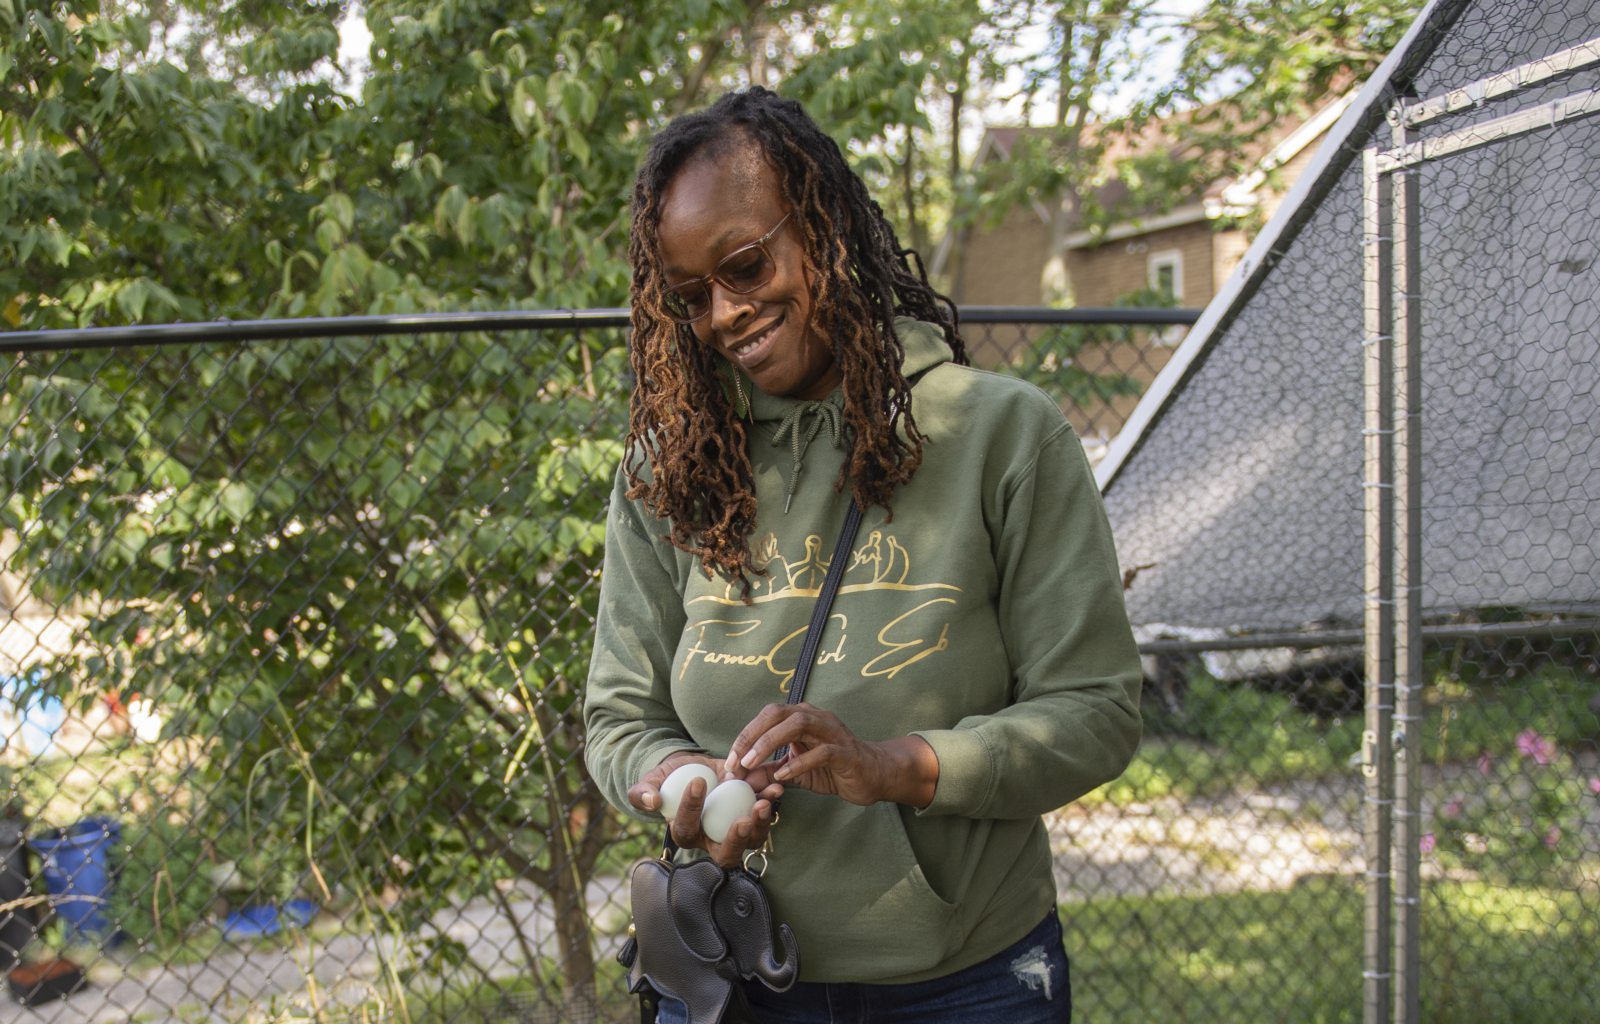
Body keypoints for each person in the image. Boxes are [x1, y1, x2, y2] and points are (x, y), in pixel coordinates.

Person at [583, 86, 1142, 1023]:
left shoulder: (996, 433)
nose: (723, 314)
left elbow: (1094, 710)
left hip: (963, 985)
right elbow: (618, 714)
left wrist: (900, 766)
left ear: (825, 228)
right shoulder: (667, 472)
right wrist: (681, 779)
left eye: (746, 264)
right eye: (692, 297)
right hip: (730, 970)